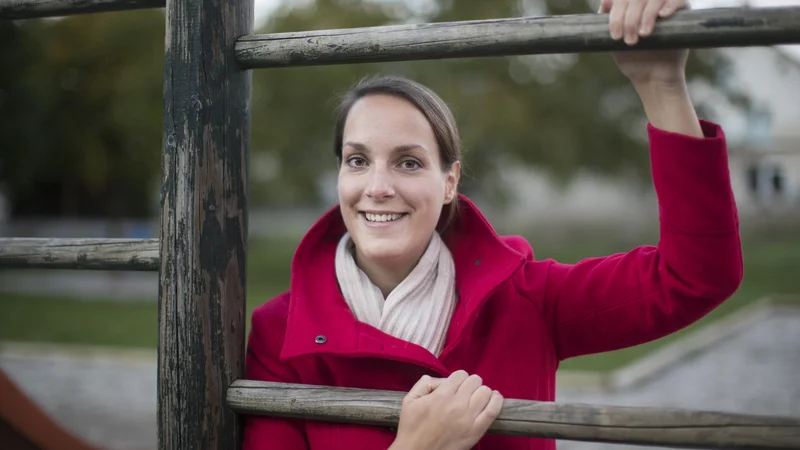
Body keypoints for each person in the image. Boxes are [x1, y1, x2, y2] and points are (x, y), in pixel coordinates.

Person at [242, 0, 744, 448]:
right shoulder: (277, 334)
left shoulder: (526, 299)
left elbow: (696, 275)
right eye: (357, 160)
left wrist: (659, 83)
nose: (376, 186)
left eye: (409, 162)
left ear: (449, 182)